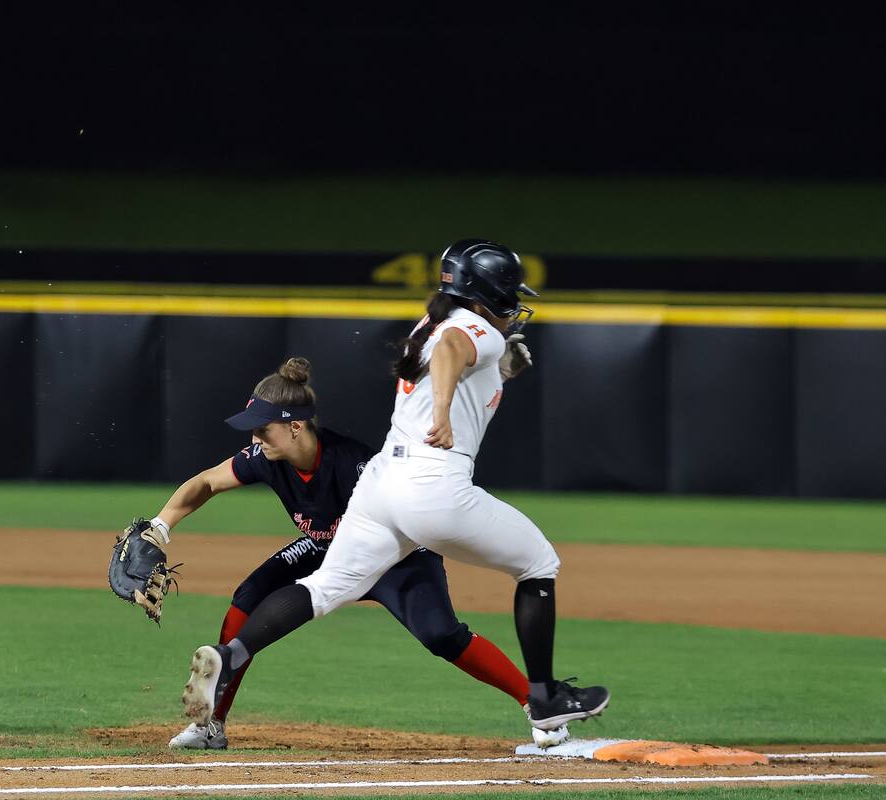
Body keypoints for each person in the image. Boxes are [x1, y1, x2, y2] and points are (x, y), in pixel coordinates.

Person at [182, 240, 609, 739]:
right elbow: (453, 351)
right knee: (538, 563)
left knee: (325, 586)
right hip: (433, 486)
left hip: (380, 485)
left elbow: (449, 355)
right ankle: (545, 699)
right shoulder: (470, 330)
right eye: (508, 294)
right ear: (486, 295)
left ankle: (233, 655)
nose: (513, 304)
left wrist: (493, 371)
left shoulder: (430, 324)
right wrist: (445, 409)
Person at [144, 356, 569, 750]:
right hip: (327, 547)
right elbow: (207, 482)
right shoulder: (266, 457)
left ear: (296, 427)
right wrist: (160, 527)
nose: (255, 438)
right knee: (248, 598)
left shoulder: (352, 463)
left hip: (398, 552)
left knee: (441, 635)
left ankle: (538, 705)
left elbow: (400, 515)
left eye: (263, 429)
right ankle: (210, 724)